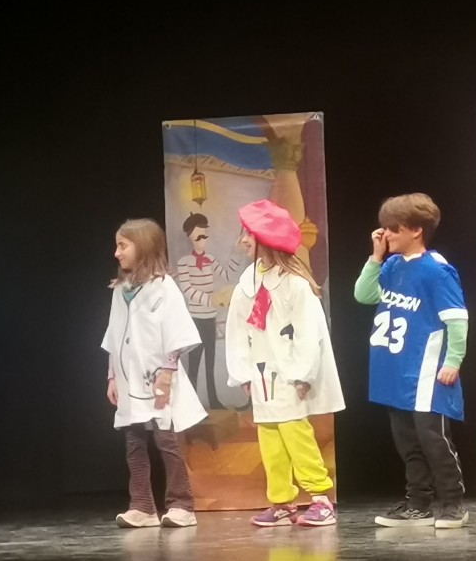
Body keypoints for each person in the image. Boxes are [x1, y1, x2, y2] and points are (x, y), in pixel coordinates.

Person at [353, 193, 470, 529]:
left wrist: (453, 360)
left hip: (426, 370)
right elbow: (363, 295)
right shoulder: (391, 266)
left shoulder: (437, 270)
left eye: (394, 228)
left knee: (434, 439)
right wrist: (375, 258)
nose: (386, 234)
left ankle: (453, 503)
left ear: (416, 230)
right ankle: (418, 504)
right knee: (407, 441)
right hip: (395, 369)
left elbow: (457, 320)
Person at [225, 199, 344, 527]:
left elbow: (308, 332)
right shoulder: (247, 281)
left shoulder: (294, 283)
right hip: (261, 372)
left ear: (265, 238)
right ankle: (281, 502)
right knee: (270, 437)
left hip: (289, 372)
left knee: (295, 432)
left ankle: (320, 498)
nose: (243, 241)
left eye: (249, 234)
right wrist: (243, 372)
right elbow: (238, 329)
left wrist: (302, 373)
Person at [102, 219, 207, 528]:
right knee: (134, 441)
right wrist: (112, 376)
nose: (117, 252)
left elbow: (177, 331)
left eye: (123, 246)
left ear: (143, 246)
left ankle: (182, 504)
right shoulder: (121, 290)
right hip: (129, 378)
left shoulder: (164, 287)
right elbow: (114, 335)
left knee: (166, 439)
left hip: (159, 377)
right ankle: (143, 506)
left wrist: (168, 371)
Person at [176, 212, 246, 409]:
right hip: (195, 319)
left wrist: (236, 252)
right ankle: (190, 405)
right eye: (198, 237)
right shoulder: (184, 262)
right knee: (194, 361)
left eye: (205, 236)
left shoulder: (210, 258)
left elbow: (227, 275)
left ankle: (213, 400)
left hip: (210, 318)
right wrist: (210, 299)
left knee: (210, 361)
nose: (202, 241)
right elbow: (187, 289)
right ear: (190, 237)